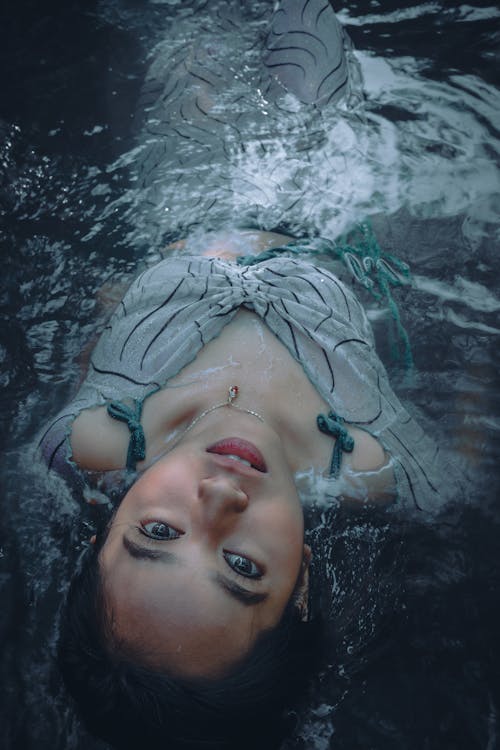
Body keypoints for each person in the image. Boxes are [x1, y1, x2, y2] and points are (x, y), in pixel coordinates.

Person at [37, 2, 455, 748]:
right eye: (240, 566)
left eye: (158, 531)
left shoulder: (89, 437)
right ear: (298, 593)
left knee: (189, 34)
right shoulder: (379, 462)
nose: (220, 498)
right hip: (342, 195)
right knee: (310, 30)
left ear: (104, 531)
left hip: (182, 187)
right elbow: (467, 446)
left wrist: (114, 314)